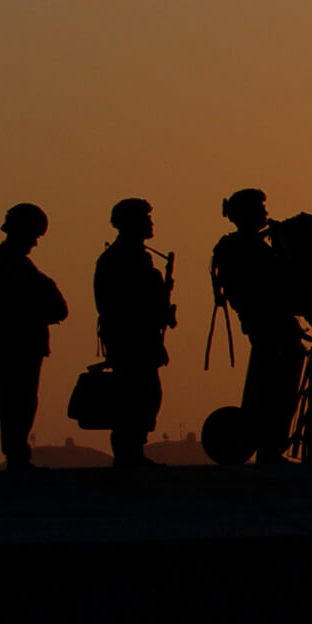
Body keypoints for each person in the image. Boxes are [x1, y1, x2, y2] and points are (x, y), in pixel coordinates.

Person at [211, 189, 305, 465]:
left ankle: (270, 447)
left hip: (270, 324)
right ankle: (269, 449)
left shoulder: (247, 245)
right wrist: (282, 248)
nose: (265, 214)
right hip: (268, 326)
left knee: (277, 388)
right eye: (259, 209)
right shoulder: (244, 248)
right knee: (275, 390)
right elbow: (274, 281)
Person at [0, 203, 69, 469]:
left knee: (24, 400)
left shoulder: (19, 265)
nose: (34, 243)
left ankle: (18, 451)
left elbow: (56, 305)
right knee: (15, 400)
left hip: (26, 342)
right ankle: (16, 454)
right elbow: (2, 308)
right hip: (14, 343)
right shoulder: (2, 265)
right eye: (33, 235)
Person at [95, 198, 175, 467]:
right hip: (130, 339)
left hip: (141, 337)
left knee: (146, 395)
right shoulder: (119, 258)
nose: (150, 223)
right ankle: (128, 453)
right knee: (135, 395)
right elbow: (121, 303)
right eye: (144, 218)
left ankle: (132, 451)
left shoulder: (136, 256)